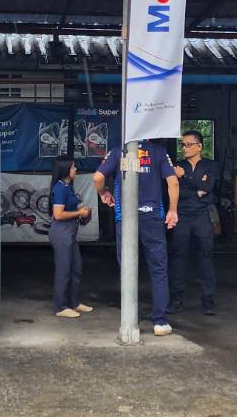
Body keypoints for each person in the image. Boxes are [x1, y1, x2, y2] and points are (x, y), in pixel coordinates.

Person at [93, 140, 179, 336]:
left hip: (125, 218)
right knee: (158, 270)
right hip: (153, 218)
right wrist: (173, 210)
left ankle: (129, 318)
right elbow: (173, 182)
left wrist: (103, 193)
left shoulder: (118, 151)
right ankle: (160, 322)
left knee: (126, 268)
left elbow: (98, 177)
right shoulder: (159, 152)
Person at [170, 130, 219, 316]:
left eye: (188, 144)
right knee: (178, 257)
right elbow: (176, 191)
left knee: (205, 256)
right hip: (182, 215)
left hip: (202, 216)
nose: (184, 148)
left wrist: (185, 177)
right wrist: (196, 190)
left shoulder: (211, 165)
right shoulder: (177, 166)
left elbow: (207, 187)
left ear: (199, 146)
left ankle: (208, 300)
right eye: (183, 145)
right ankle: (176, 299)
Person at [48, 157, 92, 319]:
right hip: (61, 233)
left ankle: (74, 302)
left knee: (76, 268)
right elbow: (58, 214)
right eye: (73, 167)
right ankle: (60, 307)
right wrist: (79, 212)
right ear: (66, 169)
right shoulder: (59, 188)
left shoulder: (68, 187)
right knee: (64, 270)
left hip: (70, 232)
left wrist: (81, 212)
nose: (76, 170)